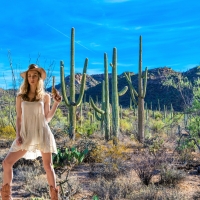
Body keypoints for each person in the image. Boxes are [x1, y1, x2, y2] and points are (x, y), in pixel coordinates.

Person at [0, 64, 62, 200]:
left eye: (34, 75)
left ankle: (55, 197)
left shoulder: (45, 96)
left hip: (42, 132)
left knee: (48, 165)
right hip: (26, 134)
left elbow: (47, 118)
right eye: (29, 76)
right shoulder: (20, 97)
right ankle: (6, 197)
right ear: (26, 78)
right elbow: (19, 117)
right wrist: (18, 135)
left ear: (39, 78)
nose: (31, 78)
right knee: (7, 163)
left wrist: (56, 104)